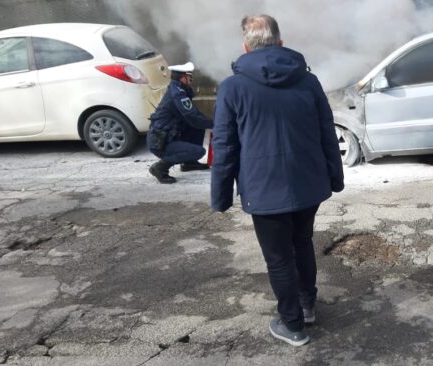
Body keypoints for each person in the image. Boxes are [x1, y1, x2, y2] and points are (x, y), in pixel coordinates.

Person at [211, 15, 344, 347]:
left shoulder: (232, 87)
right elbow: (327, 132)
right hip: (308, 184)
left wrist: (221, 195)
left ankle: (293, 324)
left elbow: (224, 145)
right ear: (281, 43)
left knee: (279, 258)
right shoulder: (308, 81)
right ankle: (307, 305)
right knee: (301, 244)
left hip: (263, 190)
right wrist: (335, 176)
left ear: (245, 47)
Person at [147, 62, 213, 184]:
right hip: (161, 142)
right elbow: (194, 117)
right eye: (190, 77)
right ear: (183, 78)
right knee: (199, 151)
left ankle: (189, 163)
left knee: (197, 127)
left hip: (169, 135)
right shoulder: (178, 94)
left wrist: (210, 122)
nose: (191, 80)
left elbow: (196, 116)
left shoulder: (180, 89)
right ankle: (160, 168)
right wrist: (216, 124)